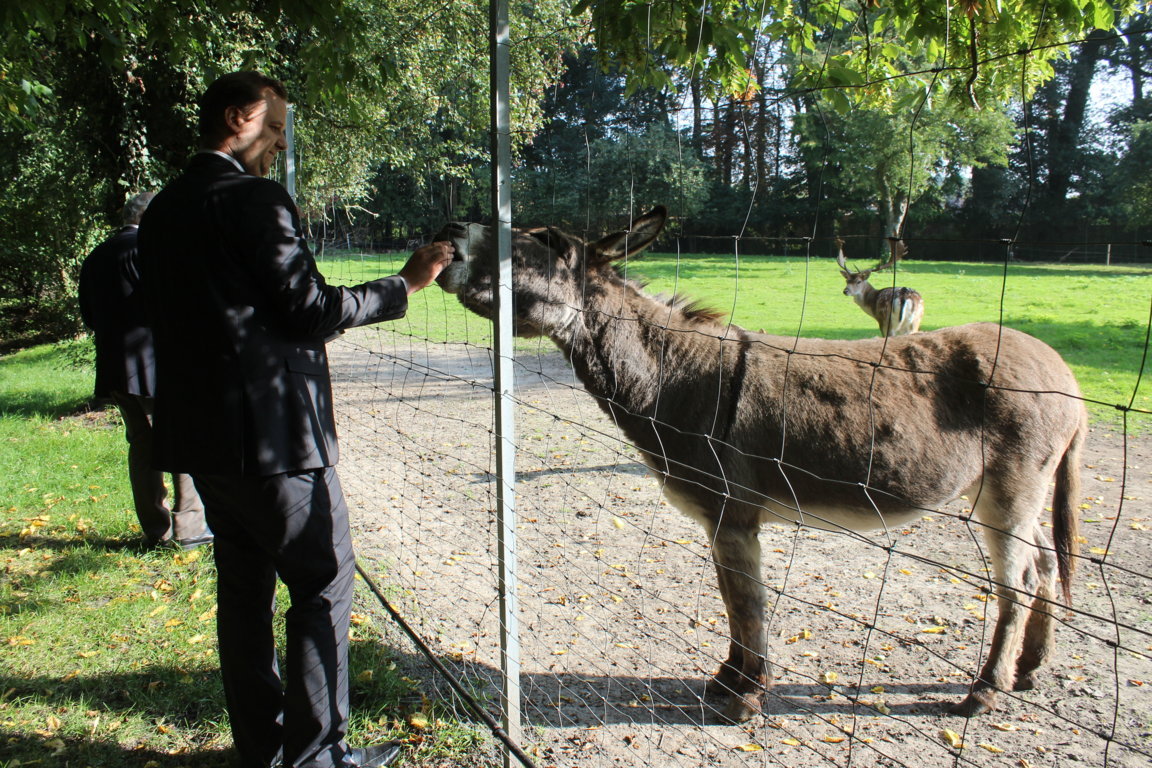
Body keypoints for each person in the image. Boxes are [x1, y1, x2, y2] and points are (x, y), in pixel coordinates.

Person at [137, 71, 454, 768]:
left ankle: (264, 748)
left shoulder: (161, 212)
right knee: (322, 584)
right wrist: (402, 285)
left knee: (243, 595)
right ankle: (317, 757)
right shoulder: (254, 198)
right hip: (279, 439)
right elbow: (309, 309)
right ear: (237, 117)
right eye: (274, 127)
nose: (280, 144)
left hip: (203, 441)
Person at [78, 192, 211, 551]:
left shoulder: (96, 256)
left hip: (115, 369)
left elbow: (89, 316)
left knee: (141, 448)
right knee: (182, 442)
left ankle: (157, 528)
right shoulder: (150, 250)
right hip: (156, 368)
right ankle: (190, 528)